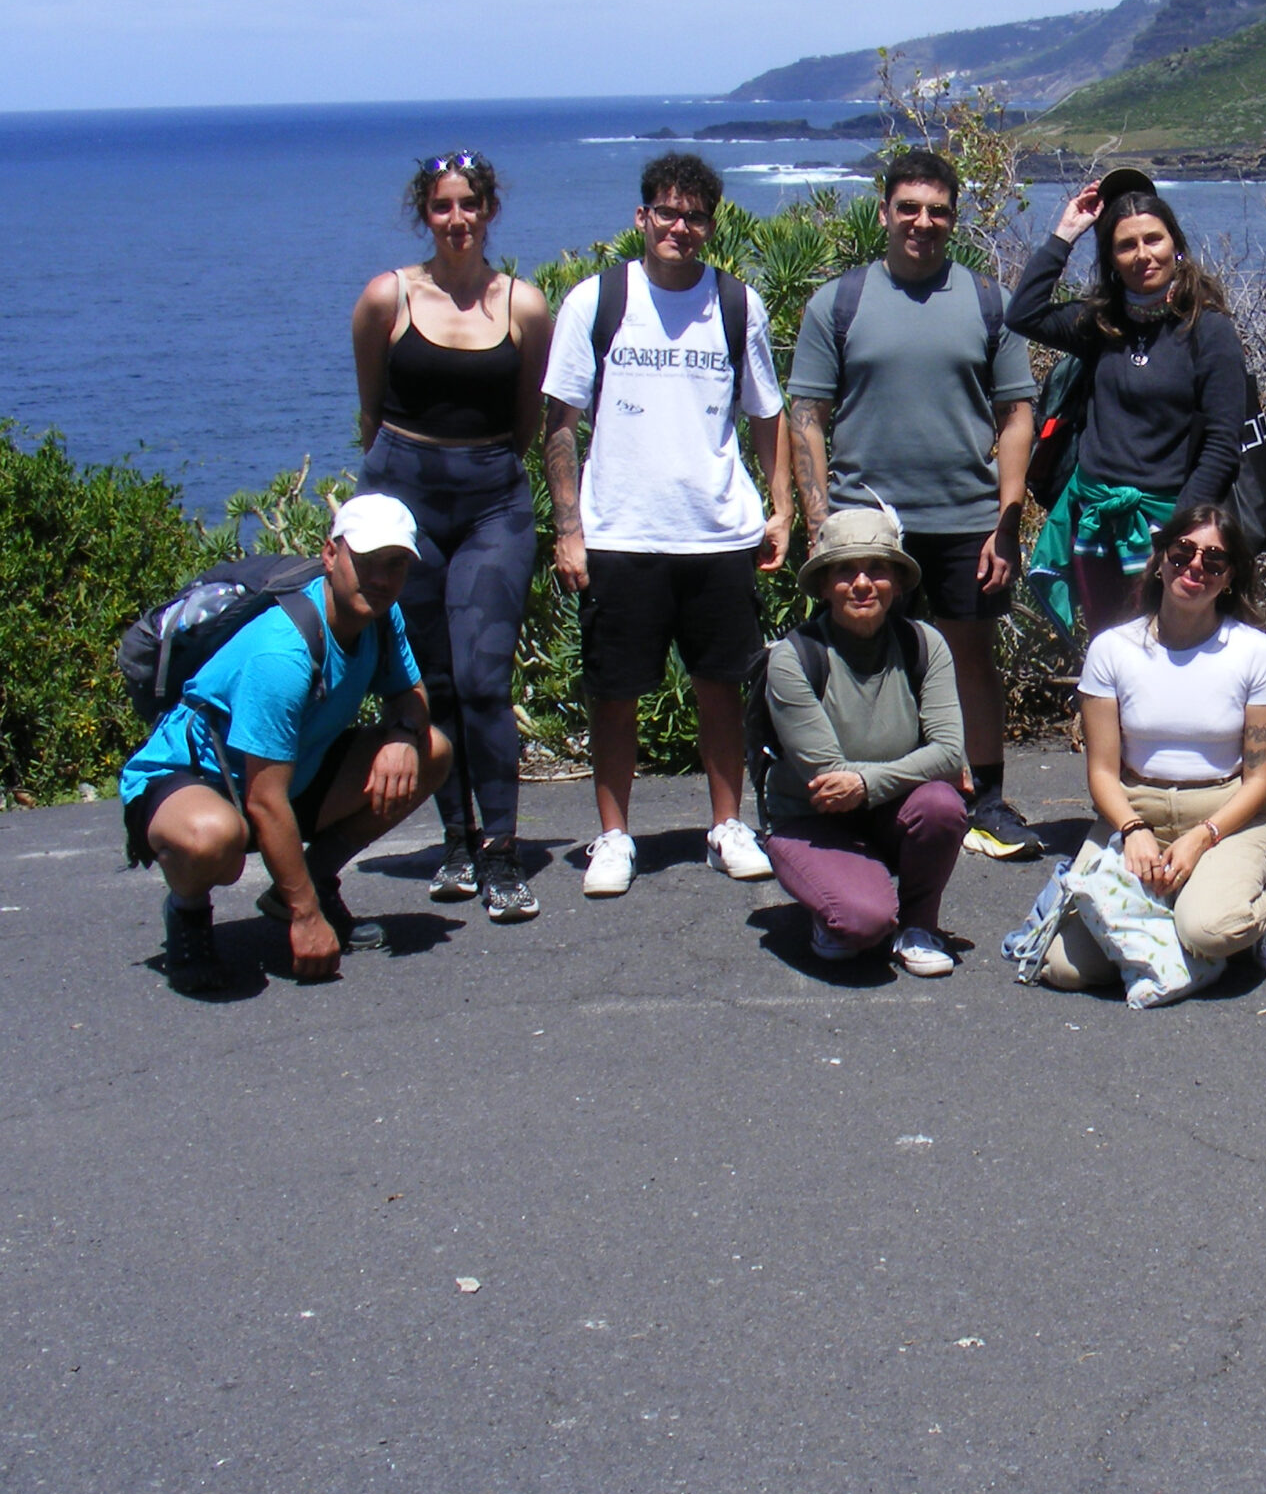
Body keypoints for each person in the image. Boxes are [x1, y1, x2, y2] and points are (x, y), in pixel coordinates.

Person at [541, 152, 794, 897]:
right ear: (642, 217)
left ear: (711, 225)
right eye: (668, 212)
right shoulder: (597, 301)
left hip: (716, 530)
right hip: (621, 531)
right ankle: (614, 836)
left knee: (723, 686)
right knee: (614, 691)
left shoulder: (737, 304)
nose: (680, 227)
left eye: (695, 216)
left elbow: (766, 412)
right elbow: (561, 423)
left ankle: (727, 825)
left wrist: (779, 507)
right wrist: (568, 530)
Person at [785, 149, 1043, 860]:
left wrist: (1007, 520)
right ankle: (863, 800)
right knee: (861, 664)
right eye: (909, 208)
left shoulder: (989, 302)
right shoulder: (838, 302)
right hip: (865, 523)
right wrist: (819, 524)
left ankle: (985, 800)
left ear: (953, 219)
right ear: (884, 213)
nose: (922, 223)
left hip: (966, 517)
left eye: (937, 211)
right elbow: (807, 415)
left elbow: (1016, 416)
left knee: (970, 659)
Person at [120, 495, 454, 994]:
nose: (381, 579)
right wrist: (307, 919)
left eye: (395, 565)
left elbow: (409, 694)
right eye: (367, 562)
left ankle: (302, 883)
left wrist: (404, 736)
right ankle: (189, 915)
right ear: (331, 555)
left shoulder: (381, 617)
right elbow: (264, 800)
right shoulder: (284, 652)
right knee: (215, 841)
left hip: (286, 774)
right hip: (196, 781)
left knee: (432, 752)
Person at [349, 150, 552, 922]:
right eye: (442, 206)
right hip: (404, 502)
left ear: (489, 210)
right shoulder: (388, 296)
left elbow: (527, 418)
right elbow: (371, 408)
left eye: (470, 204)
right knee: (429, 680)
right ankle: (457, 843)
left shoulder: (523, 306)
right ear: (425, 214)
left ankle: (502, 852)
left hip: (491, 504)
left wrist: (481, 467)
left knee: (483, 679)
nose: (457, 219)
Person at [1038, 504, 1266, 998]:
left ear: (1230, 577)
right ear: (1160, 560)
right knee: (1067, 969)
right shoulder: (1113, 649)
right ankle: (1177, 912)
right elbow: (1103, 773)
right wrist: (1133, 830)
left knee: (1208, 931)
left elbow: (1260, 781)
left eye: (1214, 560)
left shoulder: (1254, 652)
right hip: (1135, 811)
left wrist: (1201, 837)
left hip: (1225, 815)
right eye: (1182, 552)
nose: (1195, 566)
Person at [1010, 170, 1249, 633]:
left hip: (1167, 528)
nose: (1143, 254)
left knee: (1165, 649)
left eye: (1153, 239)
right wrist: (1066, 233)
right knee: (1108, 645)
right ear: (1111, 259)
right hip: (1096, 522)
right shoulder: (1100, 324)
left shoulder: (1208, 330)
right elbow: (1024, 312)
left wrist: (1178, 536)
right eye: (1126, 245)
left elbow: (1223, 445)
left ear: (1175, 245)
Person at [759, 506, 969, 978]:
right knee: (861, 922)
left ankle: (918, 925)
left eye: (876, 569)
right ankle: (842, 901)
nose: (862, 583)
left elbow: (951, 752)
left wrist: (868, 782)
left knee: (940, 805)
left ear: (897, 581)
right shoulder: (795, 659)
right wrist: (919, 767)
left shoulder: (924, 644)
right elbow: (828, 782)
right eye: (845, 571)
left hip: (889, 811)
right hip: (813, 820)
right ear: (823, 585)